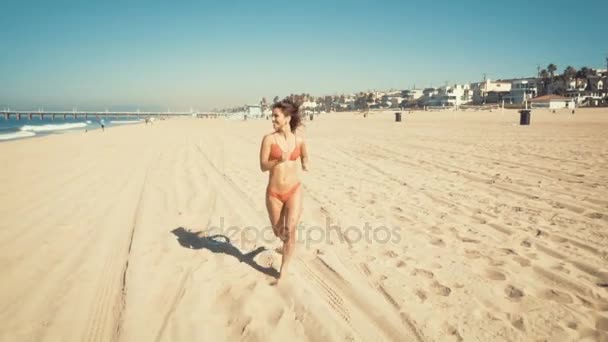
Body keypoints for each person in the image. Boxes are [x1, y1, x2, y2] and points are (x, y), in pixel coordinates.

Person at [259, 98, 309, 283]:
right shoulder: (268, 139)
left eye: (276, 116)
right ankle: (284, 241)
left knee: (290, 229)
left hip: (294, 190)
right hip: (274, 193)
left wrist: (305, 163)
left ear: (287, 118)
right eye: (272, 116)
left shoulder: (299, 140)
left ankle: (284, 270)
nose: (272, 119)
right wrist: (279, 160)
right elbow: (263, 166)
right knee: (279, 232)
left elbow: (305, 155)